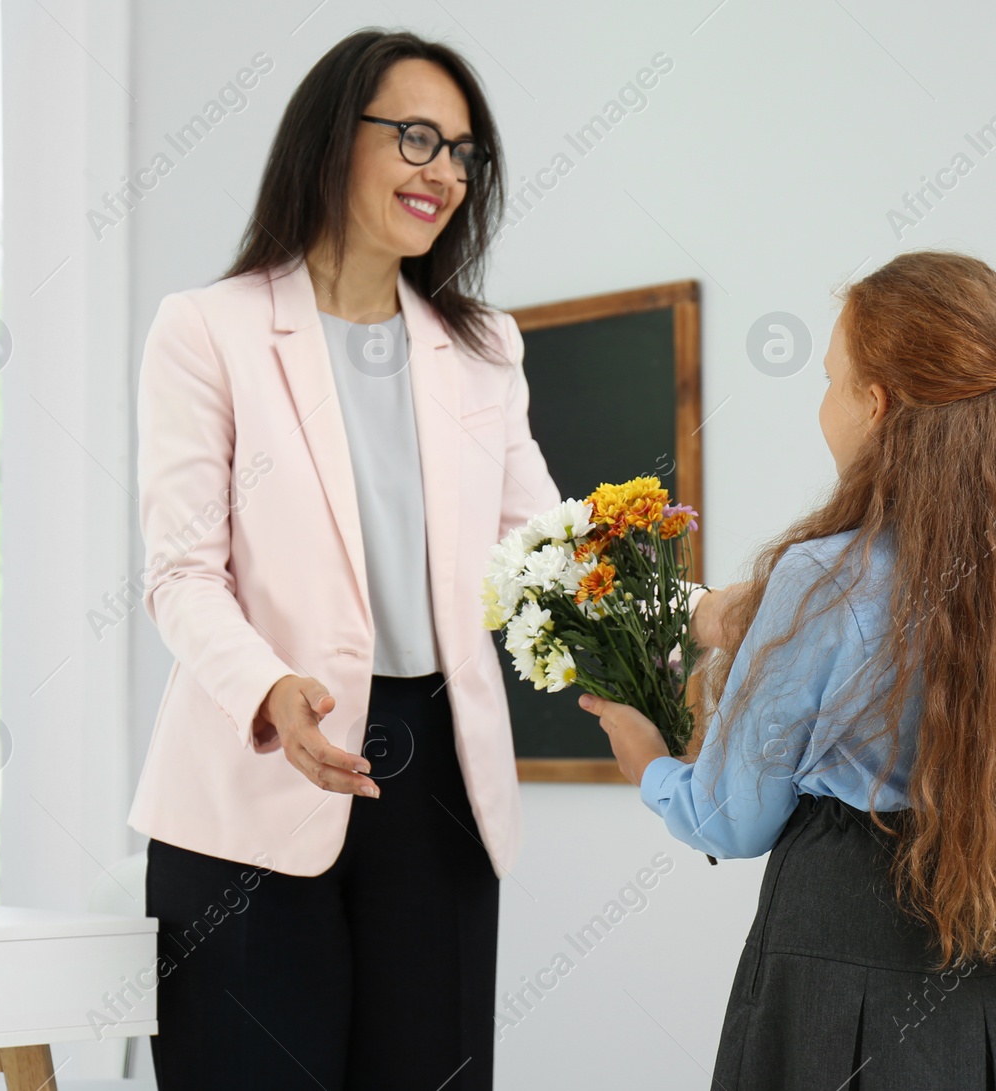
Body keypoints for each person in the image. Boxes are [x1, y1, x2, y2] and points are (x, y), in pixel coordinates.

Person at [127, 27, 733, 1090]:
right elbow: (181, 572)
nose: (444, 172)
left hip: (438, 774)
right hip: (255, 773)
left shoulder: (483, 347)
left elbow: (543, 549)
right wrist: (270, 688)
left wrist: (693, 609)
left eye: (464, 152)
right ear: (330, 138)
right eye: (417, 138)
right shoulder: (206, 330)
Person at [582, 250, 996, 1089]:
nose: (823, 405)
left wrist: (652, 766)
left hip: (836, 957)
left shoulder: (824, 576)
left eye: (829, 380)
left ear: (875, 404)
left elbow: (731, 820)